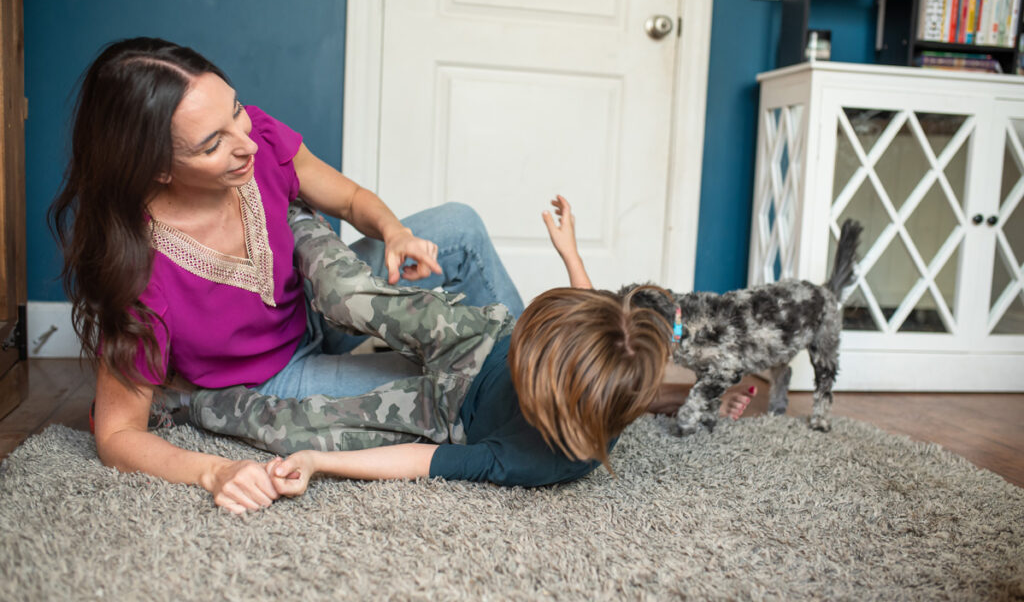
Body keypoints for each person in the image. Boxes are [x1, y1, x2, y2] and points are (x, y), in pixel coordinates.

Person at [49, 37, 523, 513]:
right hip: (275, 376)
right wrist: (214, 470)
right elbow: (116, 433)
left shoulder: (263, 143)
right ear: (157, 169)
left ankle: (544, 367)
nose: (247, 143)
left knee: (458, 225)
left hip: (322, 307)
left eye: (236, 111)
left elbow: (351, 200)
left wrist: (394, 233)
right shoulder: (138, 272)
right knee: (446, 389)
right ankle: (531, 404)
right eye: (214, 143)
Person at [181, 195, 753, 511]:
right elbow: (597, 325)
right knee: (354, 289)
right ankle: (288, 206)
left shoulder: (537, 462)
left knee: (293, 423)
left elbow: (416, 461)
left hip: (444, 410)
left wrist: (316, 461)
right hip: (472, 335)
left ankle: (187, 401)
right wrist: (571, 255)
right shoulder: (605, 360)